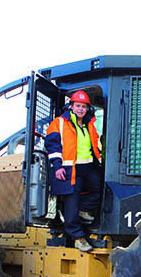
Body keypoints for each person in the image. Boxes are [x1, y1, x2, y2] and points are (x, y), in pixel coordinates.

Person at [44, 90, 102, 252]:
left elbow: (94, 145)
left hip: (89, 167)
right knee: (72, 203)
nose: (80, 109)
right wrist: (57, 166)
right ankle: (78, 238)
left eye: (83, 106)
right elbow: (52, 146)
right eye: (78, 106)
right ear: (71, 106)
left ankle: (83, 210)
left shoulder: (90, 124)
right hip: (70, 169)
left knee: (102, 189)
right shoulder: (59, 123)